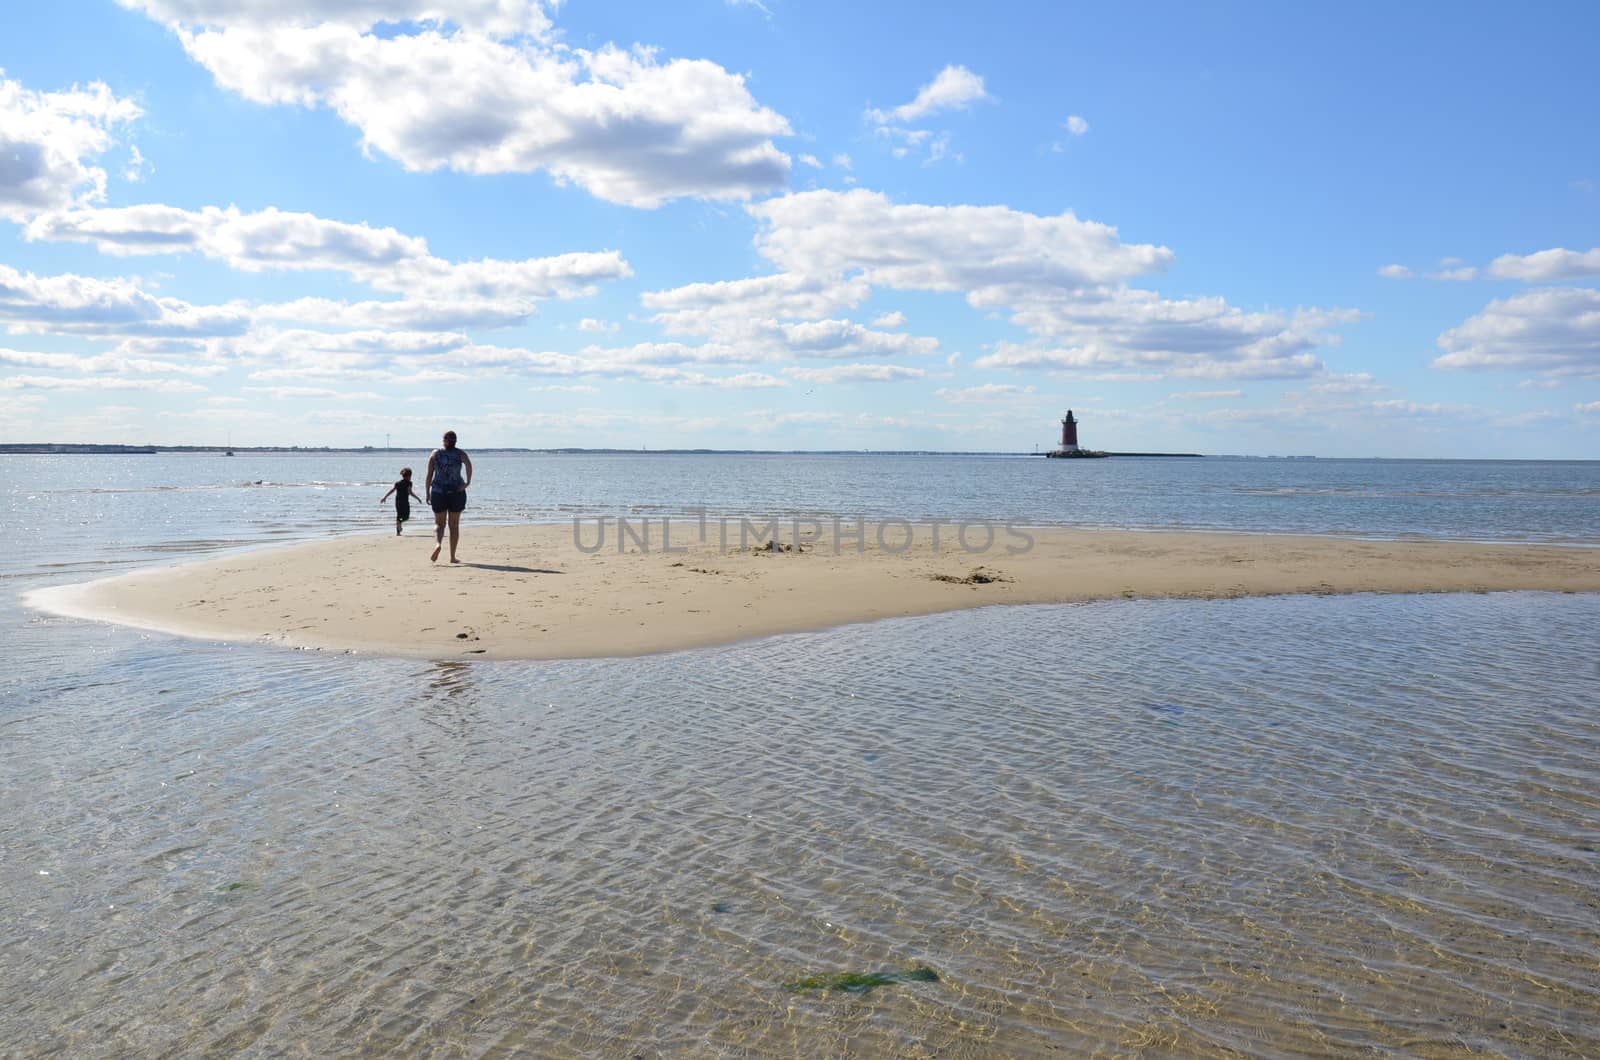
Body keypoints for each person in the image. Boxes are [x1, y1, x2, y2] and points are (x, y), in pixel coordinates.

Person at [425, 430, 473, 563]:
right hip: (456, 491)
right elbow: (469, 465)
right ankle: (452, 557)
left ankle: (438, 544)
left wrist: (427, 492)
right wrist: (467, 482)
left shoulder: (435, 454)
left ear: (444, 441)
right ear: (455, 441)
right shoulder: (460, 454)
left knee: (439, 524)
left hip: (438, 492)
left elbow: (429, 475)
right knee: (454, 525)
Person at [379, 467, 422, 536]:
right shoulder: (409, 483)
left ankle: (398, 530)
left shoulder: (398, 483)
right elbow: (410, 492)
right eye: (410, 476)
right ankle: (399, 525)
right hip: (404, 502)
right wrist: (418, 498)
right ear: (408, 476)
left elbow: (392, 491)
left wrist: (385, 497)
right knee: (406, 516)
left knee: (399, 516)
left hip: (398, 501)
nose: (411, 477)